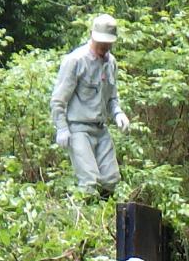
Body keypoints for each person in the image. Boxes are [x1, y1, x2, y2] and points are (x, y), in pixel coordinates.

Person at [50, 14, 132, 196]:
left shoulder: (111, 63)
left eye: (108, 43)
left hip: (101, 129)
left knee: (111, 180)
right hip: (78, 129)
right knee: (90, 182)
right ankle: (83, 218)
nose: (104, 46)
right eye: (101, 42)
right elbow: (58, 99)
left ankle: (105, 219)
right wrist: (62, 128)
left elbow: (112, 98)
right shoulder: (76, 61)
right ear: (92, 35)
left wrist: (118, 113)